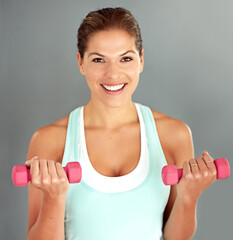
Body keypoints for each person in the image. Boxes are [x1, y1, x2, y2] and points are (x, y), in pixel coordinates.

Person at [25, 7, 217, 240]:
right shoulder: (48, 140)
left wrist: (189, 196)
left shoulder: (175, 134)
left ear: (141, 60)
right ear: (81, 63)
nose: (113, 74)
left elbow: (174, 237)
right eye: (98, 59)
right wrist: (54, 198)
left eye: (125, 59)